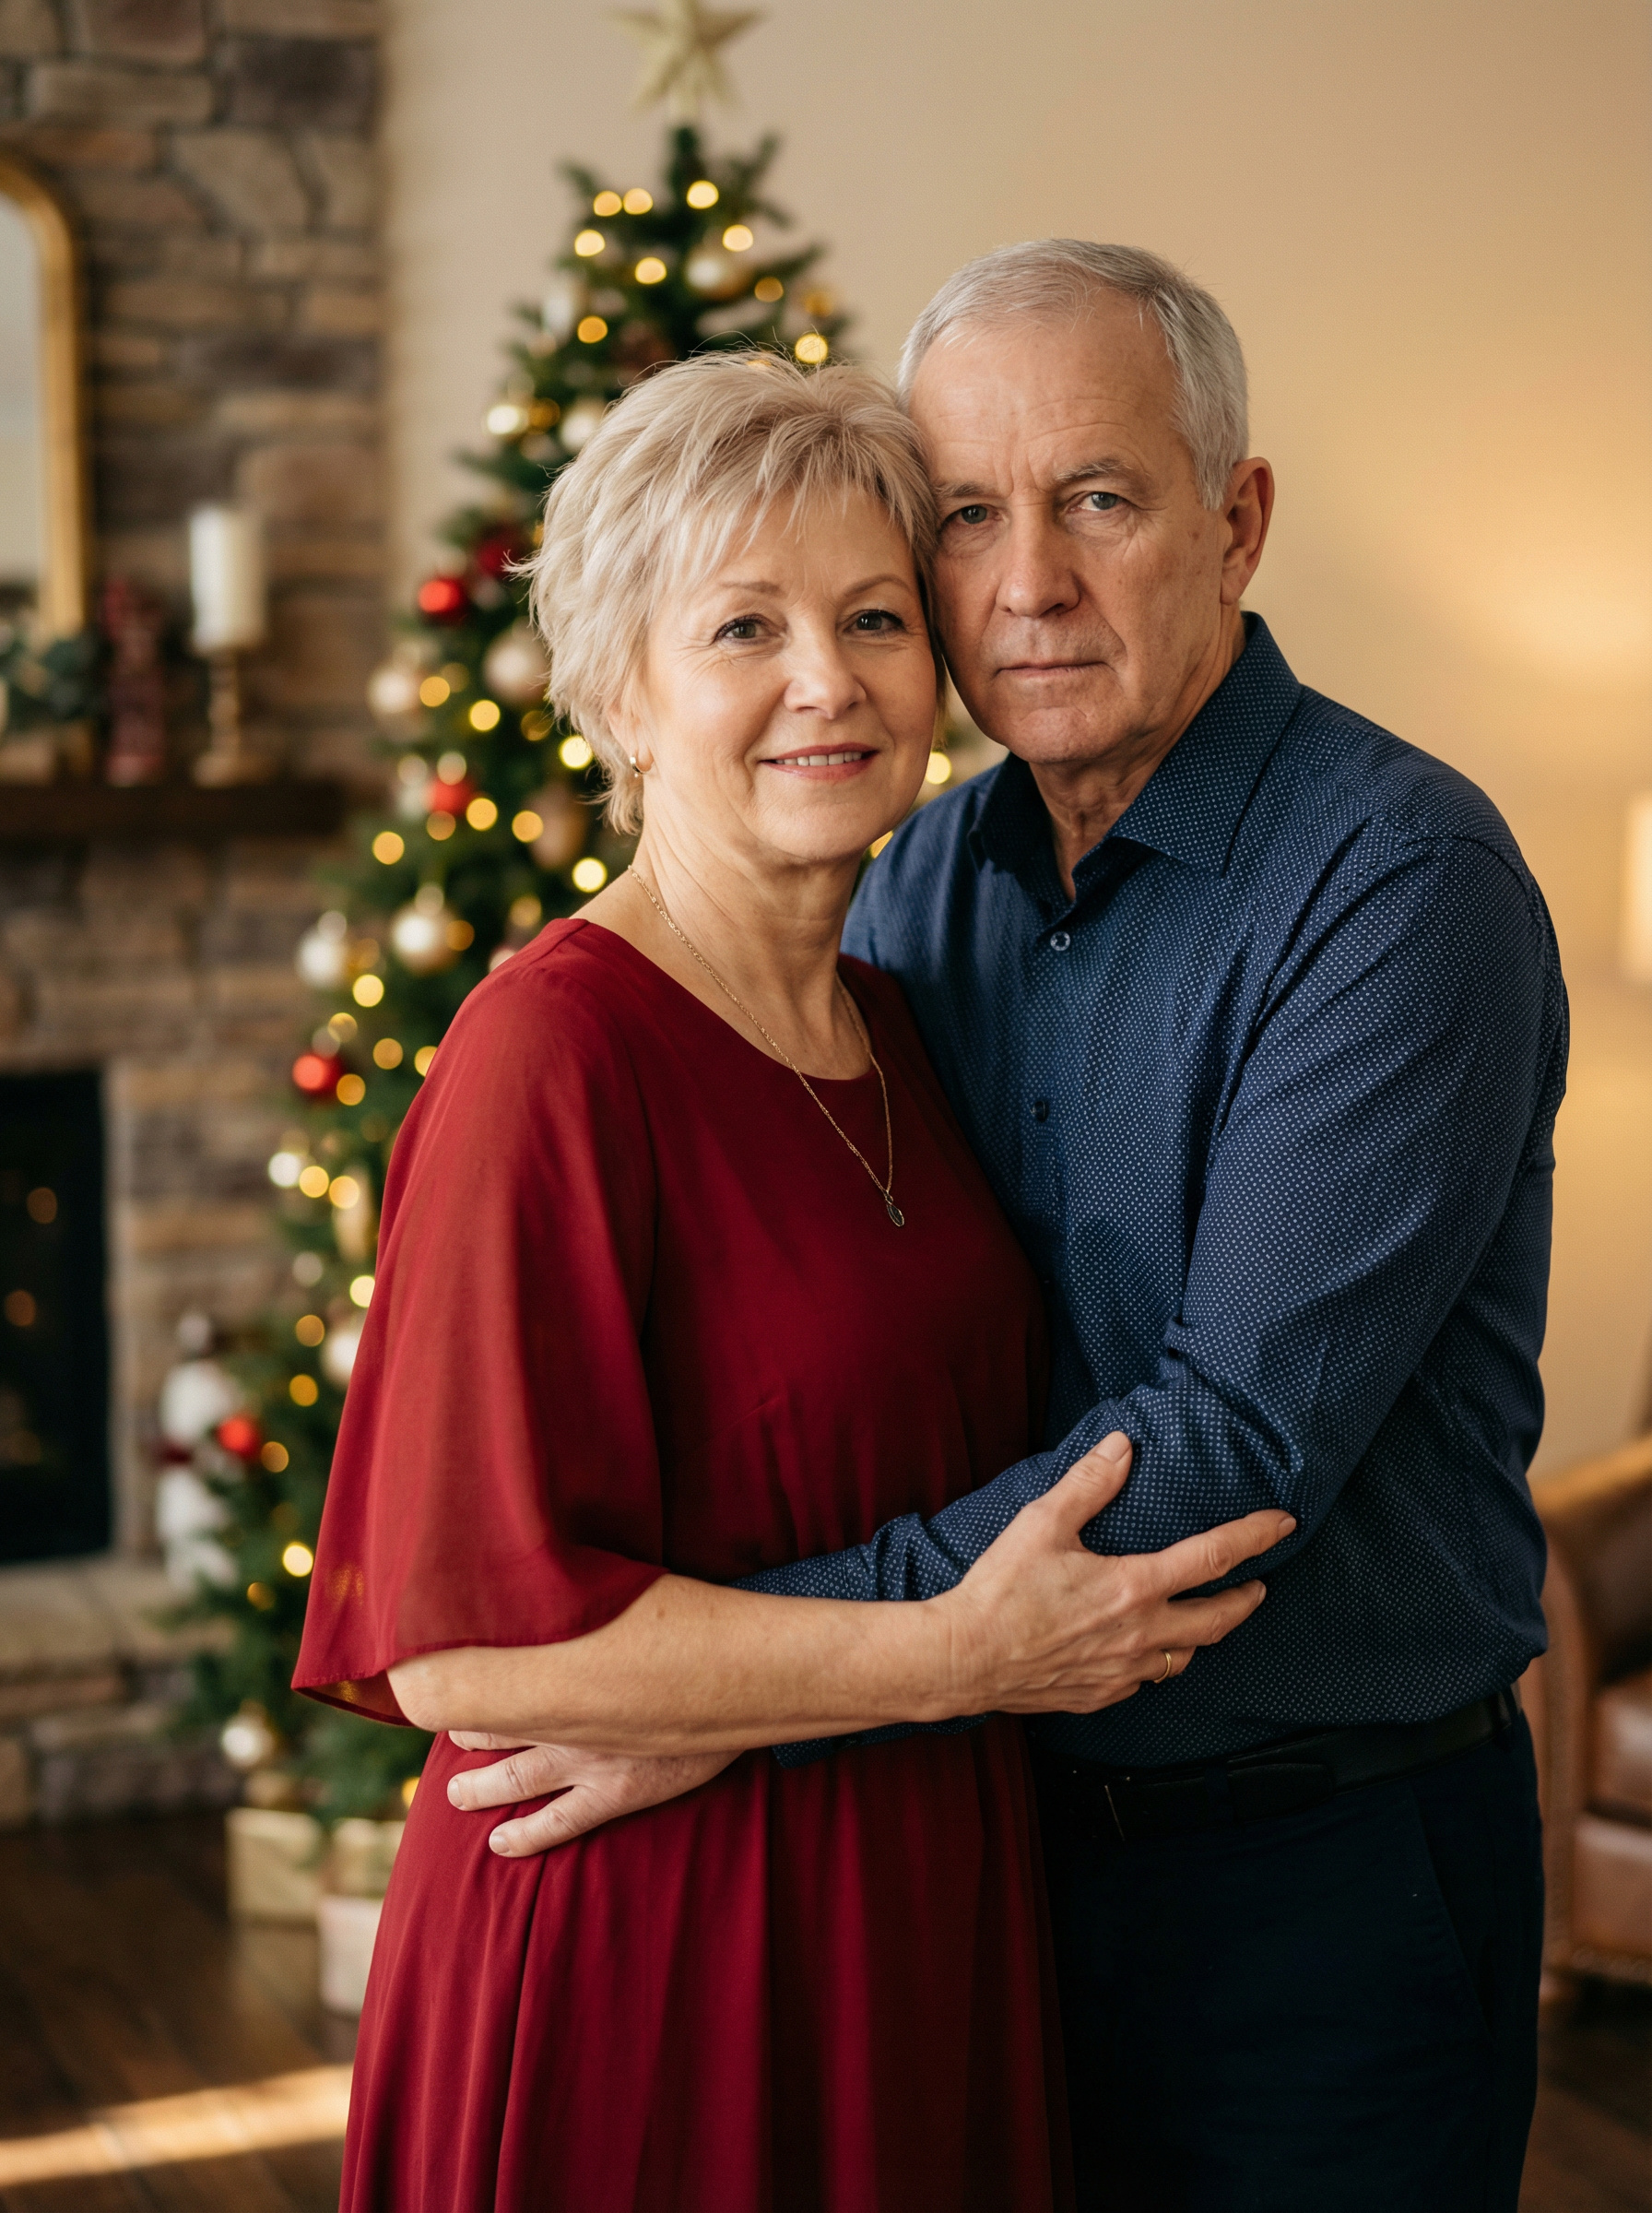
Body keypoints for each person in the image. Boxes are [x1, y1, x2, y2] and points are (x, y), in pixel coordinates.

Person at [453, 245, 1567, 2213]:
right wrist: (851, 1691)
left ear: (1234, 522)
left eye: (1102, 500)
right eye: (967, 516)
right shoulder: (915, 886)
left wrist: (733, 1693)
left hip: (1313, 1881)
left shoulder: (1400, 882)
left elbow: (1228, 1442)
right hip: (974, 1856)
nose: (1027, 580)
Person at [292, 353, 1291, 2213]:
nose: (826, 681)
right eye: (743, 625)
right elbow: (463, 1651)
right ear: (619, 693)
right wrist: (950, 1658)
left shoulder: (897, 1025)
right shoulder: (551, 1055)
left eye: (872, 619)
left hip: (907, 1895)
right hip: (646, 1955)